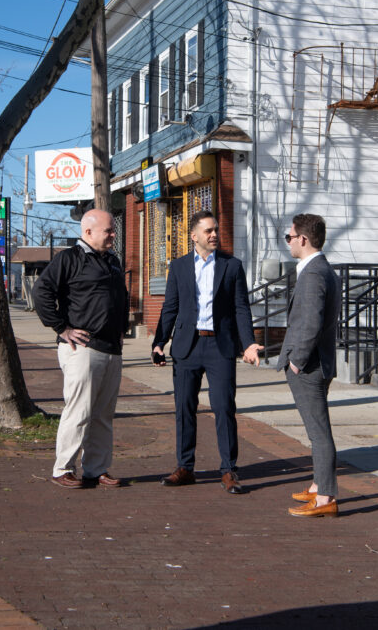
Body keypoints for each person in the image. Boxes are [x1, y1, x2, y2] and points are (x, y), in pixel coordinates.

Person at [152, 210, 264, 494]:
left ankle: (228, 470)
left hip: (220, 346)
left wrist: (248, 343)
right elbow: (170, 307)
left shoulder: (232, 266)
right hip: (187, 347)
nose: (214, 235)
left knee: (224, 407)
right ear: (194, 236)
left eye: (216, 230)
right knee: (184, 408)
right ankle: (185, 467)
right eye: (208, 231)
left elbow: (241, 308)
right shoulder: (178, 268)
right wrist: (159, 342)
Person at [34, 209, 128, 489]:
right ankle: (63, 468)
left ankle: (96, 468)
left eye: (113, 230)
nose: (113, 235)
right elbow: (42, 292)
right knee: (79, 410)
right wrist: (61, 328)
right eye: (108, 231)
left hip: (111, 348)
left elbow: (118, 299)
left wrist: (121, 331)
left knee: (102, 413)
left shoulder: (112, 261)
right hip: (83, 349)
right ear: (88, 232)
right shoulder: (69, 259)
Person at [276, 213, 342, 517]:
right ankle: (318, 487)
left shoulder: (314, 273)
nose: (288, 242)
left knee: (318, 433)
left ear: (303, 239)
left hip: (311, 366)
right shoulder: (322, 269)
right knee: (318, 430)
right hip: (317, 363)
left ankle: (326, 497)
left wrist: (296, 361)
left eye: (290, 237)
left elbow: (311, 322)